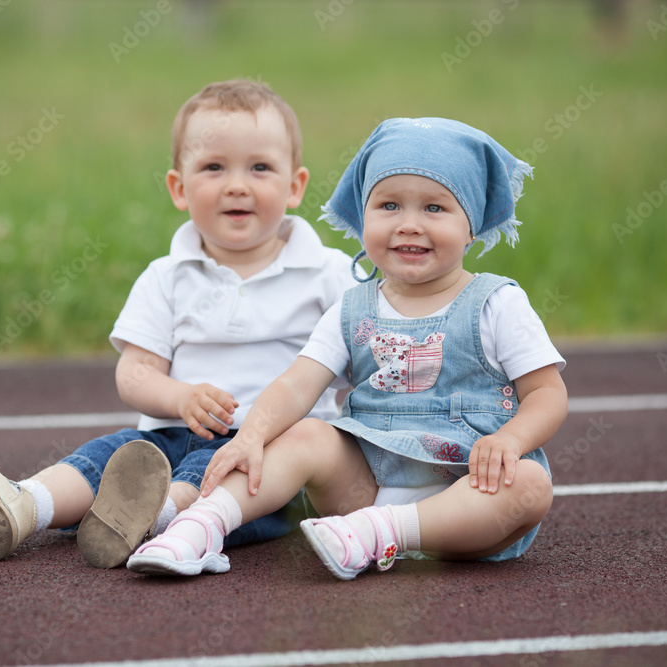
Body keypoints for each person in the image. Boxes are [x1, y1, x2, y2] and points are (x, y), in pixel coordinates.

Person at [0, 79, 358, 566]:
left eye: (260, 167)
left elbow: (366, 358)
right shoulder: (166, 276)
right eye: (213, 167)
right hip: (162, 437)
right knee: (102, 458)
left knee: (210, 480)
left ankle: (153, 519)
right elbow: (134, 374)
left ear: (295, 186)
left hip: (266, 453)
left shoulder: (329, 274)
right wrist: (181, 397)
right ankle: (22, 505)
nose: (237, 185)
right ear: (178, 188)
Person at [127, 117, 568, 579]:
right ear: (363, 217)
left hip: (469, 497)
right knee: (306, 434)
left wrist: (511, 440)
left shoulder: (496, 303)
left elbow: (546, 393)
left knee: (531, 484)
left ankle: (383, 531)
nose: (409, 225)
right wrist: (252, 435)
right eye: (388, 205)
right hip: (364, 487)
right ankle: (200, 526)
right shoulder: (352, 308)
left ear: (472, 225)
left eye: (435, 208)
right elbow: (298, 384)